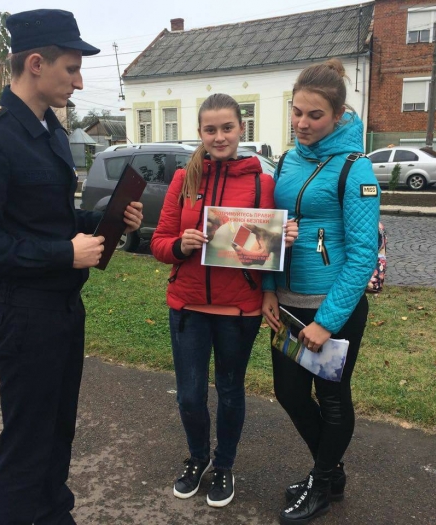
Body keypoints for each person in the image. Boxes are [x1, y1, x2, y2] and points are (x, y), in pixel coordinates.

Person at [0, 9, 143, 524]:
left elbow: (50, 217)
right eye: (72, 70)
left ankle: (55, 514)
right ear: (36, 63)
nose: (79, 83)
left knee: (59, 428)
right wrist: (63, 253)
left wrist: (107, 219)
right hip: (23, 313)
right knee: (28, 440)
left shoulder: (51, 132)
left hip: (62, 307)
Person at [151, 93, 297, 509]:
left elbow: (267, 249)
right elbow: (159, 244)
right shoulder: (184, 180)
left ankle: (224, 465)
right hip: (188, 306)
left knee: (231, 391)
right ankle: (197, 459)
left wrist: (281, 241)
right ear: (200, 132)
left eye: (227, 128)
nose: (219, 136)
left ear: (241, 129)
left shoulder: (261, 181)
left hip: (240, 310)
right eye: (210, 129)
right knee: (190, 395)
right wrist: (181, 245)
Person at [262, 58, 380, 525]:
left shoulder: (357, 167)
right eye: (296, 112)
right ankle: (329, 471)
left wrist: (326, 321)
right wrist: (269, 289)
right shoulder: (288, 160)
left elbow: (362, 255)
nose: (302, 123)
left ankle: (323, 478)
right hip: (287, 304)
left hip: (334, 309)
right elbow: (271, 231)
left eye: (314, 115)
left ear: (337, 115)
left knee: (332, 398)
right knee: (289, 393)